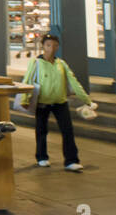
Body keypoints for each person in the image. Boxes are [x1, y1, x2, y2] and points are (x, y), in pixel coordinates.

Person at [26, 33, 97, 171]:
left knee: (67, 130)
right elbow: (28, 80)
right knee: (41, 130)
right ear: (43, 46)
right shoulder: (36, 63)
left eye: (54, 45)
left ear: (58, 47)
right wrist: (24, 99)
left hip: (60, 102)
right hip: (42, 102)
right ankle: (42, 157)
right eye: (48, 45)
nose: (51, 48)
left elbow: (74, 82)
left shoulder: (61, 64)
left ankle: (71, 161)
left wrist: (87, 100)